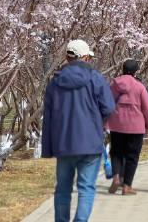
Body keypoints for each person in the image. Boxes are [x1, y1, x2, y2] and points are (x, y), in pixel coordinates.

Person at [42, 39, 115, 222]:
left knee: (63, 188)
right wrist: (96, 121)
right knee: (87, 188)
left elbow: (48, 117)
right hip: (90, 143)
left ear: (67, 57)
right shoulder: (96, 79)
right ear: (84, 57)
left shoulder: (55, 82)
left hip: (64, 143)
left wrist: (48, 147)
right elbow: (108, 107)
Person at [106, 59, 148, 196]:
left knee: (116, 152)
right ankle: (127, 186)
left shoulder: (113, 84)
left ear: (122, 68)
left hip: (116, 124)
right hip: (135, 126)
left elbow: (106, 103)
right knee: (132, 156)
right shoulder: (139, 87)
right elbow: (147, 108)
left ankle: (116, 176)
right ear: (135, 71)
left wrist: (105, 122)